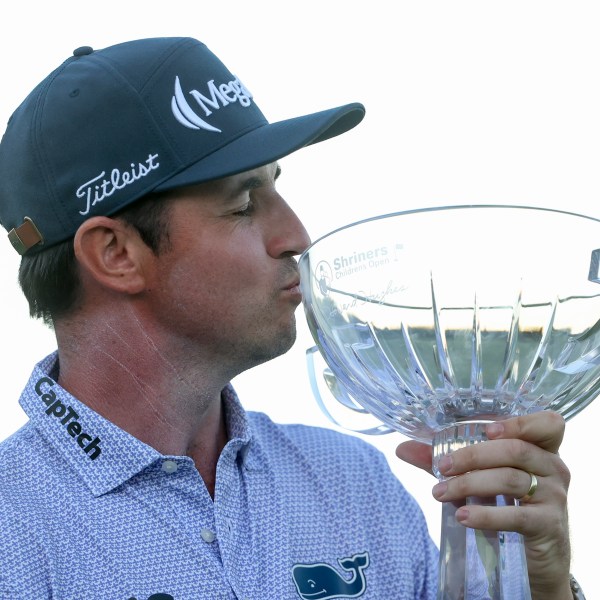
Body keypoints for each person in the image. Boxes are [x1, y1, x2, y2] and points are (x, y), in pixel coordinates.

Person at [0, 37, 578, 600]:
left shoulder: (352, 481)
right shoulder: (12, 527)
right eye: (245, 204)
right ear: (115, 254)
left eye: (277, 189)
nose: (296, 236)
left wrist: (542, 583)